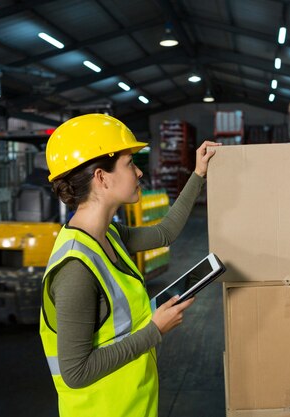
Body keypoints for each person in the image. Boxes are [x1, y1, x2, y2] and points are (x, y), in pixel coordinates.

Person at [39, 113, 220, 417]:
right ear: (101, 177)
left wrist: (198, 173)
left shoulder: (107, 234)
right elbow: (76, 372)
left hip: (133, 405)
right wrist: (154, 330)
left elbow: (165, 233)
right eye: (129, 164)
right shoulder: (75, 271)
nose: (138, 173)